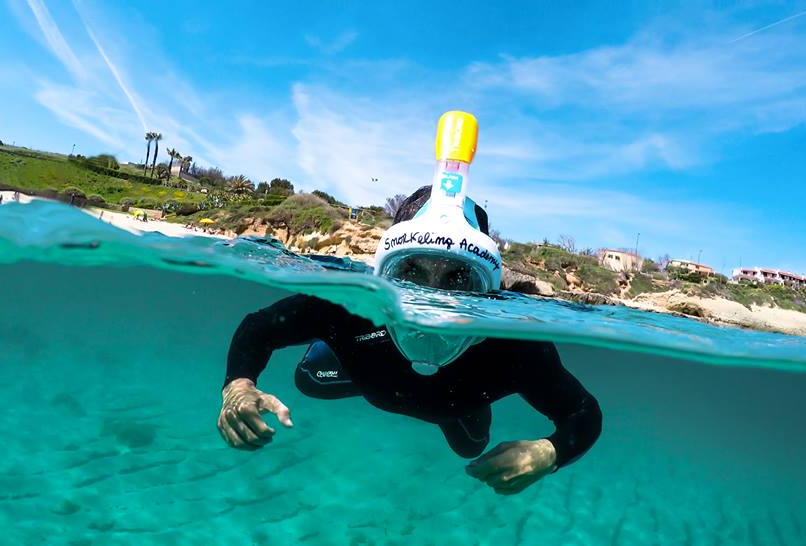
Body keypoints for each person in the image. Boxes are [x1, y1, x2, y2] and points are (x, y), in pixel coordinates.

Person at [218, 111, 602, 495]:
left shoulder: (515, 346)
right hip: (372, 369)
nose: (430, 303)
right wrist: (237, 385)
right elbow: (259, 327)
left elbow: (583, 414)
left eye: (458, 278)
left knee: (470, 446)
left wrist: (548, 453)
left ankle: (443, 402)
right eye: (410, 272)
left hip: (453, 405)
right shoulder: (344, 308)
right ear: (380, 273)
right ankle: (339, 347)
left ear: (490, 289)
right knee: (309, 381)